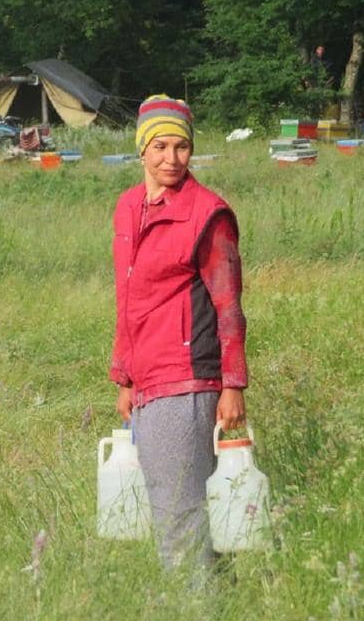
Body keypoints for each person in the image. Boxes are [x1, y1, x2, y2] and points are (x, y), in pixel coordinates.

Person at [109, 94, 248, 570]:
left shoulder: (208, 214)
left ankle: (194, 608)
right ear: (142, 150)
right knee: (187, 517)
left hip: (187, 379)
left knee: (178, 525)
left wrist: (233, 385)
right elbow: (128, 300)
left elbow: (229, 307)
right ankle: (219, 602)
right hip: (147, 381)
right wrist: (125, 376)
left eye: (182, 147)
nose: (171, 158)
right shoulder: (128, 208)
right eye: (160, 147)